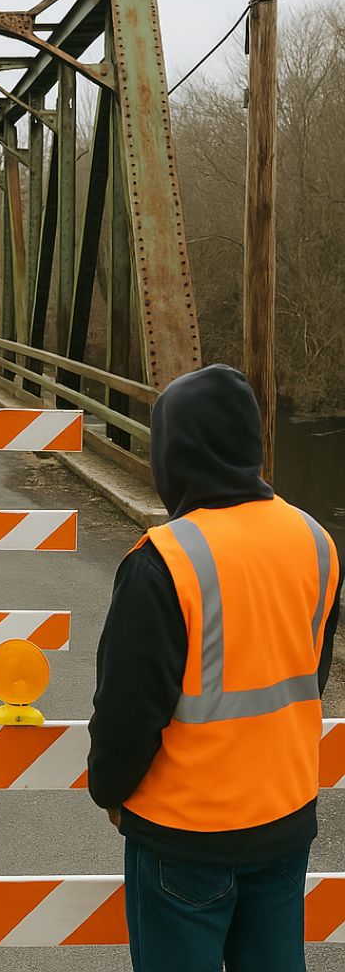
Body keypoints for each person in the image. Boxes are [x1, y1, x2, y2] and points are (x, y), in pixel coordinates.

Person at [89, 364, 341, 972]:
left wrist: (109, 791)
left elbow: (127, 712)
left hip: (184, 837)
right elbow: (311, 675)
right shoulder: (314, 541)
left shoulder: (163, 562)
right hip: (283, 821)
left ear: (172, 454)